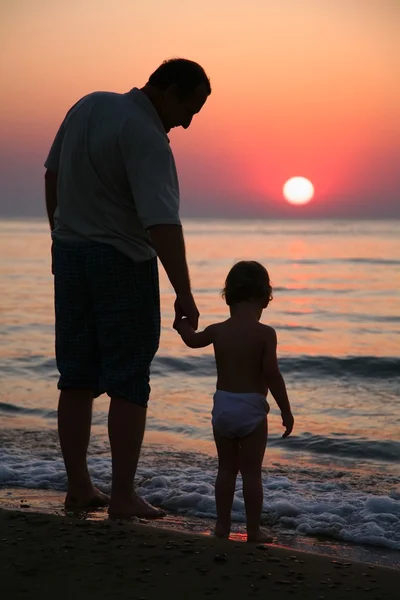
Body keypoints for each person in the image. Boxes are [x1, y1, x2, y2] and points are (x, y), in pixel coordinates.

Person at [44, 58, 211, 518]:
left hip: (72, 257)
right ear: (170, 90)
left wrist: (58, 236)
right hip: (123, 262)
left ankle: (79, 488)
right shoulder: (149, 139)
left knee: (76, 376)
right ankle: (121, 495)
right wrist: (184, 292)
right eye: (190, 108)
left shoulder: (88, 106)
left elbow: (51, 174)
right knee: (129, 378)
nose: (188, 122)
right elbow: (161, 223)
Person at [175, 261, 294, 542]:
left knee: (226, 470)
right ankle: (253, 531)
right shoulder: (266, 333)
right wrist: (285, 410)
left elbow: (192, 340)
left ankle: (222, 528)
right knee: (252, 474)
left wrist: (180, 325)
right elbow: (271, 374)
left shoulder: (217, 330)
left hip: (224, 407)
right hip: (252, 408)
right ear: (265, 298)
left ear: (228, 296)